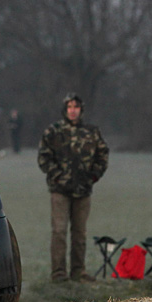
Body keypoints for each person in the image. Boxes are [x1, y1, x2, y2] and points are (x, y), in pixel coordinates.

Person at [37, 93, 110, 283]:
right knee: (59, 232)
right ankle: (59, 274)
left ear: (81, 109)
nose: (73, 110)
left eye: (76, 107)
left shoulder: (92, 131)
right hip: (59, 191)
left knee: (80, 233)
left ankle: (79, 272)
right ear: (65, 109)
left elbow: (102, 156)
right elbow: (43, 158)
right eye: (69, 107)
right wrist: (58, 176)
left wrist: (93, 176)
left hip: (83, 190)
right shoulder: (53, 131)